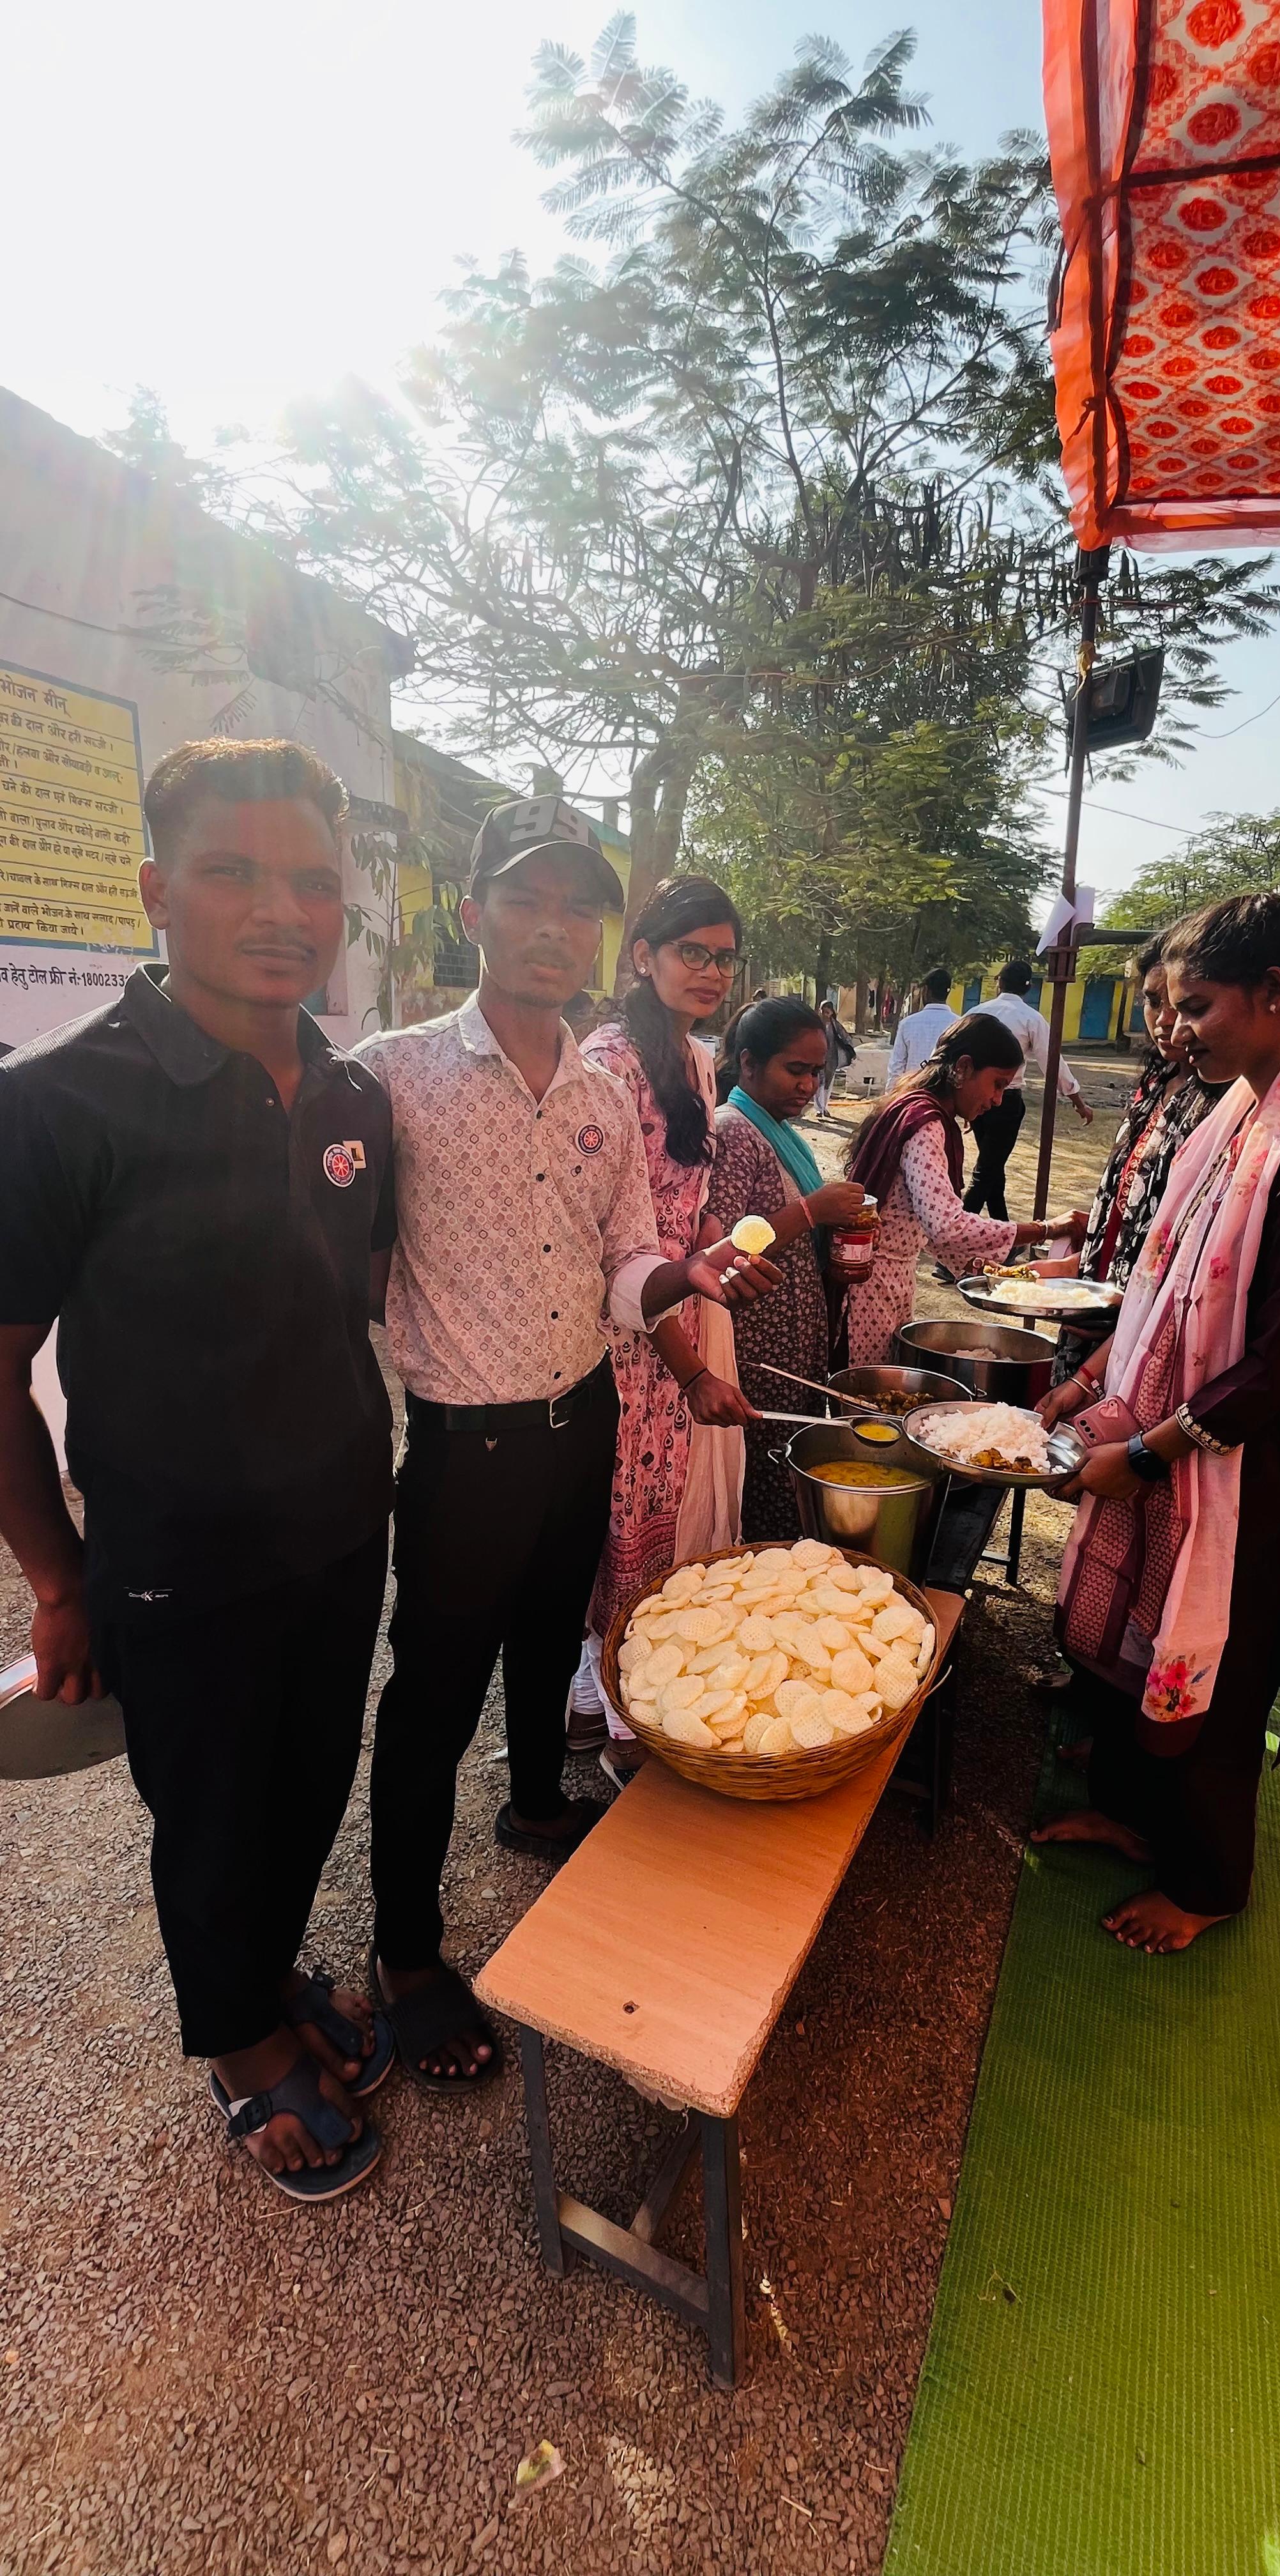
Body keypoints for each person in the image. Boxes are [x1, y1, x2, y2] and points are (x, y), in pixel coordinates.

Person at [0, 737, 399, 2202]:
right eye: (233, 873)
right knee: (213, 1811)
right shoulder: (57, 1102)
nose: (282, 911)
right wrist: (59, 1583)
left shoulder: (352, 1097)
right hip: (177, 1558)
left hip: (343, 1526)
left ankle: (263, 1972)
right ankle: (239, 2047)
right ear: (157, 890)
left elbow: (350, 1308)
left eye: (313, 882)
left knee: (307, 1783)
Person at [358, 807, 777, 2084]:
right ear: (471, 912)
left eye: (576, 908)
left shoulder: (603, 1095)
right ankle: (407, 1955)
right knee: (432, 1700)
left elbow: (627, 1257)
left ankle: (537, 1803)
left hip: (579, 1415)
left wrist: (681, 1290)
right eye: (525, 900)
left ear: (599, 935)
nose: (553, 929)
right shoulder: (390, 1075)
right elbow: (346, 1262)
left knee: (550, 1639)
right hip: (463, 1447)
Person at [1034, 896, 1280, 1956]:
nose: (1178, 1028)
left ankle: (1205, 1886)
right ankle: (1128, 1813)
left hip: (1254, 1467)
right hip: (1187, 1432)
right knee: (1141, 1632)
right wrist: (1093, 1385)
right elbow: (1167, 1289)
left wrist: (1142, 1452)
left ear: (1274, 994)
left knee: (1220, 1667)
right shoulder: (1245, 1111)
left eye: (1196, 1006)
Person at [570, 878, 761, 1773]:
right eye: (693, 952)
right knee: (625, 1522)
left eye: (725, 957)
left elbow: (689, 1203)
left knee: (663, 1516)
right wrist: (690, 1369)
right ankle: (622, 1721)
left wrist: (723, 1250)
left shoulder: (696, 1059)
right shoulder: (608, 1065)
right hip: (624, 1331)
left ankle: (604, 1697)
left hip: (681, 1309)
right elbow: (614, 1246)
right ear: (642, 955)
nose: (712, 971)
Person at [708, 999, 869, 1536]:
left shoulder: (777, 1131)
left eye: (816, 1072)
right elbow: (725, 1251)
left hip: (792, 1346)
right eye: (795, 1069)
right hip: (757, 1351)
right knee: (763, 1483)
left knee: (788, 1474)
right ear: (749, 1063)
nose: (808, 1085)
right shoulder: (734, 1131)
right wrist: (811, 1211)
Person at [842, 1016, 1088, 1365]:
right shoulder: (926, 1123)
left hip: (887, 1281)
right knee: (866, 1389)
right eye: (997, 1085)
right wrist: (1045, 1229)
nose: (998, 1100)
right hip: (873, 1287)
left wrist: (1004, 1276)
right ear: (963, 1068)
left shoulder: (914, 1107)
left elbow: (931, 1229)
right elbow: (946, 1226)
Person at [1053, 931, 1226, 1384]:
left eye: (1186, 1006)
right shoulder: (1156, 1084)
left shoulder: (1225, 1106)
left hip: (1150, 1321)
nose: (1166, 1022)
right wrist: (1073, 1270)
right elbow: (1125, 1204)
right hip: (1100, 1299)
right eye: (1153, 1002)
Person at [965, 958, 1093, 1218]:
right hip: (1006, 1101)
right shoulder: (1030, 1019)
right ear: (1028, 988)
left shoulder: (976, 1013)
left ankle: (1002, 1227)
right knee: (987, 1170)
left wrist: (965, 1102)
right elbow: (1052, 1062)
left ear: (999, 982)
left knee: (992, 1167)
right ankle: (958, 1230)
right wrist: (1077, 1101)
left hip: (977, 1099)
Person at [888, 967, 958, 1079]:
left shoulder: (907, 1024)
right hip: (946, 1089)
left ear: (926, 991)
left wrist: (893, 1090)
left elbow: (897, 1066)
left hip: (912, 1087)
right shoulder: (959, 1025)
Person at [812, 999, 857, 1121]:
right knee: (820, 1083)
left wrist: (850, 1051)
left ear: (832, 1012)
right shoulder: (816, 1025)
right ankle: (819, 1109)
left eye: (828, 1011)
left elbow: (846, 1037)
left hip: (832, 1058)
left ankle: (825, 1107)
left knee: (828, 1084)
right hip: (819, 1058)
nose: (826, 1014)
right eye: (824, 1011)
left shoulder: (835, 1025)